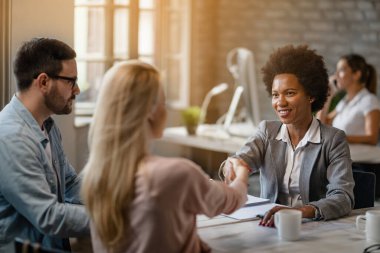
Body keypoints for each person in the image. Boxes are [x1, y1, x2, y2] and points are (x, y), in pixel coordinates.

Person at [81, 60, 249, 253]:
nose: (166, 110)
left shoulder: (95, 177)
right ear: (151, 111)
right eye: (164, 102)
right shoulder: (175, 174)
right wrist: (242, 172)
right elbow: (232, 199)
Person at [224, 45, 355, 227]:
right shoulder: (266, 131)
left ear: (311, 95)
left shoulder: (333, 140)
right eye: (275, 95)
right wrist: (235, 167)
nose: (280, 102)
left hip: (313, 229)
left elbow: (343, 197)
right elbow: (236, 161)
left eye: (290, 93)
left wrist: (299, 212)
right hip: (268, 227)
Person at [0, 38, 90, 252]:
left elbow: (69, 184)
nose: (77, 90)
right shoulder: (12, 137)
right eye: (71, 81)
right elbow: (48, 216)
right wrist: (116, 219)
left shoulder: (47, 125)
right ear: (43, 82)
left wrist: (113, 199)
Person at [318, 54, 380, 145]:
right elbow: (321, 126)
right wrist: (328, 96)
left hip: (361, 158)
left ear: (356, 75)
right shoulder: (344, 102)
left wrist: (337, 138)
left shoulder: (369, 100)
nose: (336, 75)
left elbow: (372, 138)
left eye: (341, 70)